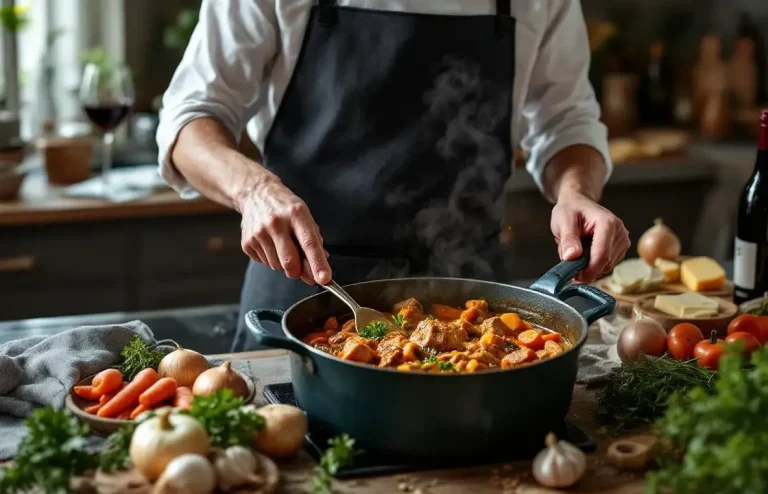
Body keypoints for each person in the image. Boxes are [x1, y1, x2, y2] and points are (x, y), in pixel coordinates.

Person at [157, 0, 630, 350]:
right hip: (304, 289)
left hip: (474, 294)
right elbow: (189, 119)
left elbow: (566, 119)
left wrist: (576, 192)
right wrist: (254, 189)